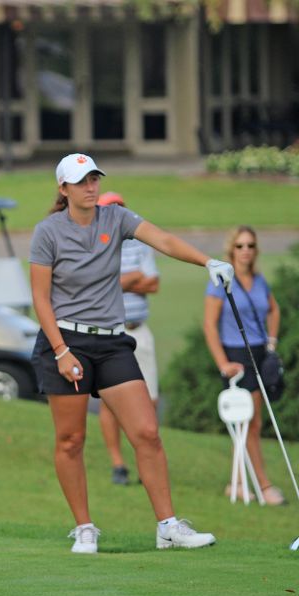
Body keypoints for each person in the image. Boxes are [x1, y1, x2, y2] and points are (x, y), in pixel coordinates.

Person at [29, 152, 228, 554]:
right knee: (71, 439)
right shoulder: (48, 232)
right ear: (63, 189)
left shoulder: (116, 218)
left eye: (95, 179)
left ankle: (168, 526)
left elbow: (165, 240)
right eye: (82, 181)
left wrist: (207, 262)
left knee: (147, 432)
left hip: (113, 342)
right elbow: (40, 297)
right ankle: (84, 528)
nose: (91, 187)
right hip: (66, 341)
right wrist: (61, 351)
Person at [202, 226, 285, 505]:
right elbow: (209, 326)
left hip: (260, 352)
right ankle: (263, 485)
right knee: (249, 422)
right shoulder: (221, 282)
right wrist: (221, 362)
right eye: (240, 246)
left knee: (251, 422)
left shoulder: (260, 281)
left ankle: (237, 482)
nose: (245, 250)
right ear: (231, 250)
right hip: (236, 355)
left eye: (250, 245)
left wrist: (271, 342)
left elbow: (274, 310)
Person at [95, 192, 161, 486]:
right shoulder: (96, 243)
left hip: (138, 328)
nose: (118, 213)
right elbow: (98, 285)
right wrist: (132, 279)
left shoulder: (138, 243)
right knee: (110, 403)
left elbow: (153, 283)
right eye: (111, 208)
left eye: (121, 207)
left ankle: (145, 462)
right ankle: (118, 464)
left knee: (151, 400)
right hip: (111, 332)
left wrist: (122, 281)